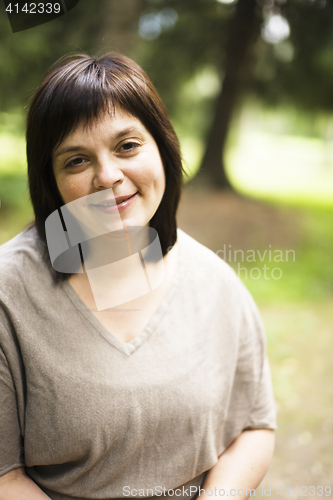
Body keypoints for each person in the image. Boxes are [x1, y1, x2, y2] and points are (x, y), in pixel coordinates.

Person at [0, 53, 277, 500]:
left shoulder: (215, 281)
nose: (108, 177)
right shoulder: (8, 297)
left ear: (163, 149)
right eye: (76, 161)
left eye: (127, 146)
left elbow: (254, 425)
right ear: (50, 182)